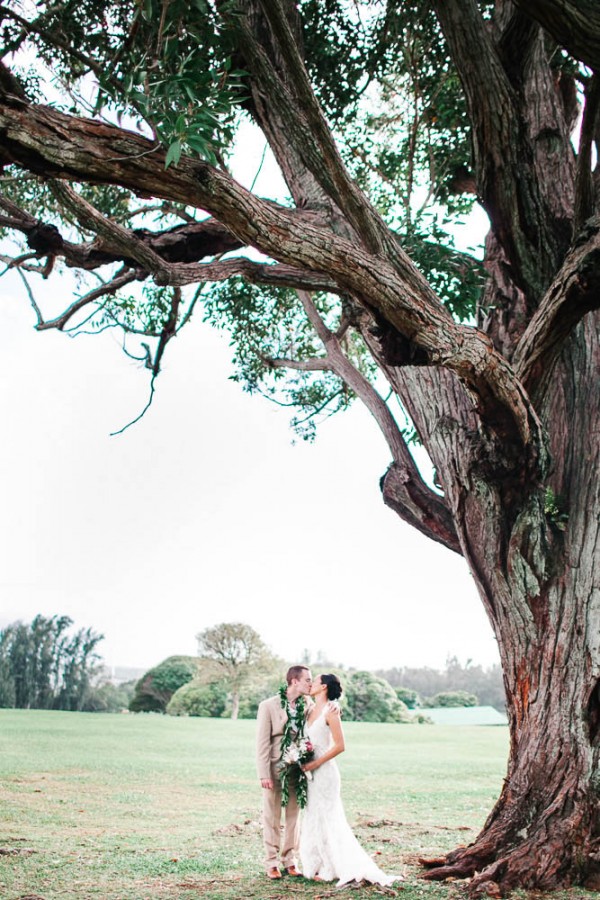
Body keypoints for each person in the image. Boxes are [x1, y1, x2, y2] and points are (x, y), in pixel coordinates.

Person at [299, 673, 402, 887]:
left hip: (324, 772)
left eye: (314, 681)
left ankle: (333, 865)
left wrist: (314, 764)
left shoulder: (331, 711)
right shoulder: (309, 709)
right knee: (312, 815)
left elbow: (339, 745)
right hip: (309, 774)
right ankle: (316, 864)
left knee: (329, 817)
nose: (310, 684)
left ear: (324, 686)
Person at [256, 665, 313, 880]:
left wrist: (335, 708)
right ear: (294, 681)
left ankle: (290, 860)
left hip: (297, 768)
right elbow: (262, 742)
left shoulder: (308, 704)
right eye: (307, 680)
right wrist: (264, 773)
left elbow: (322, 718)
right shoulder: (268, 706)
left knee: (293, 817)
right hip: (274, 767)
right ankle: (271, 862)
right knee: (271, 816)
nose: (310, 683)